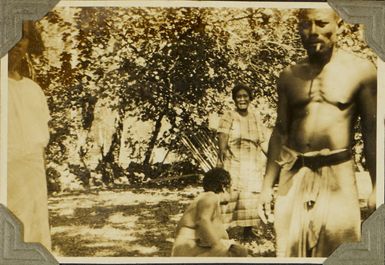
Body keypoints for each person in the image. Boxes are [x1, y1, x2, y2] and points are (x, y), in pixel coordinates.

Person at [257, 8, 377, 257]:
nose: (313, 32)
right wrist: (267, 187)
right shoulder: (289, 76)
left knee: (341, 251)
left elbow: (371, 132)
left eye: (321, 23)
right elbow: (280, 132)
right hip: (293, 175)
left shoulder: (362, 71)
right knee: (288, 252)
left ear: (340, 26)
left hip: (338, 176)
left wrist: (378, 186)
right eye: (305, 25)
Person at [7, 21, 52, 250]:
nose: (16, 42)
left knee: (33, 236)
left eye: (22, 36)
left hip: (32, 180)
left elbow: (39, 147)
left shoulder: (34, 90)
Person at [217, 83, 267, 240]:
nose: (242, 99)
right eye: (239, 96)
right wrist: (222, 160)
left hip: (253, 164)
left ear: (250, 98)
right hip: (235, 163)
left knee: (250, 197)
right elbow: (222, 139)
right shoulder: (229, 116)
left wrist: (274, 158)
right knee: (230, 196)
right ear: (234, 99)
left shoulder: (256, 117)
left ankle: (248, 231)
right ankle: (222, 231)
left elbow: (263, 141)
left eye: (245, 96)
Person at [171, 168, 248, 257]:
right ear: (224, 187)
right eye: (231, 188)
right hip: (188, 251)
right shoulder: (211, 197)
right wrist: (216, 245)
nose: (232, 192)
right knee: (238, 253)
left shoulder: (209, 199)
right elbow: (203, 220)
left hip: (193, 248)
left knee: (239, 251)